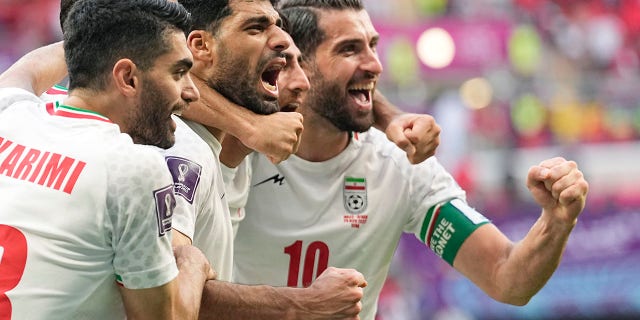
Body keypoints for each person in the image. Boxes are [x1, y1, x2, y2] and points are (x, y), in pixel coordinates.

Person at [228, 1, 591, 320]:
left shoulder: (400, 165)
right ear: (296, 63)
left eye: (373, 46)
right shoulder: (237, 148)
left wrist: (556, 223)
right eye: (350, 49)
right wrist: (302, 306)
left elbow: (506, 278)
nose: (375, 64)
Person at [0, 0, 215, 319]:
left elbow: (25, 71)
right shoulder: (131, 166)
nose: (192, 92)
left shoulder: (11, 118)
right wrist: (192, 262)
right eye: (179, 72)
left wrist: (97, 33)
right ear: (128, 77)